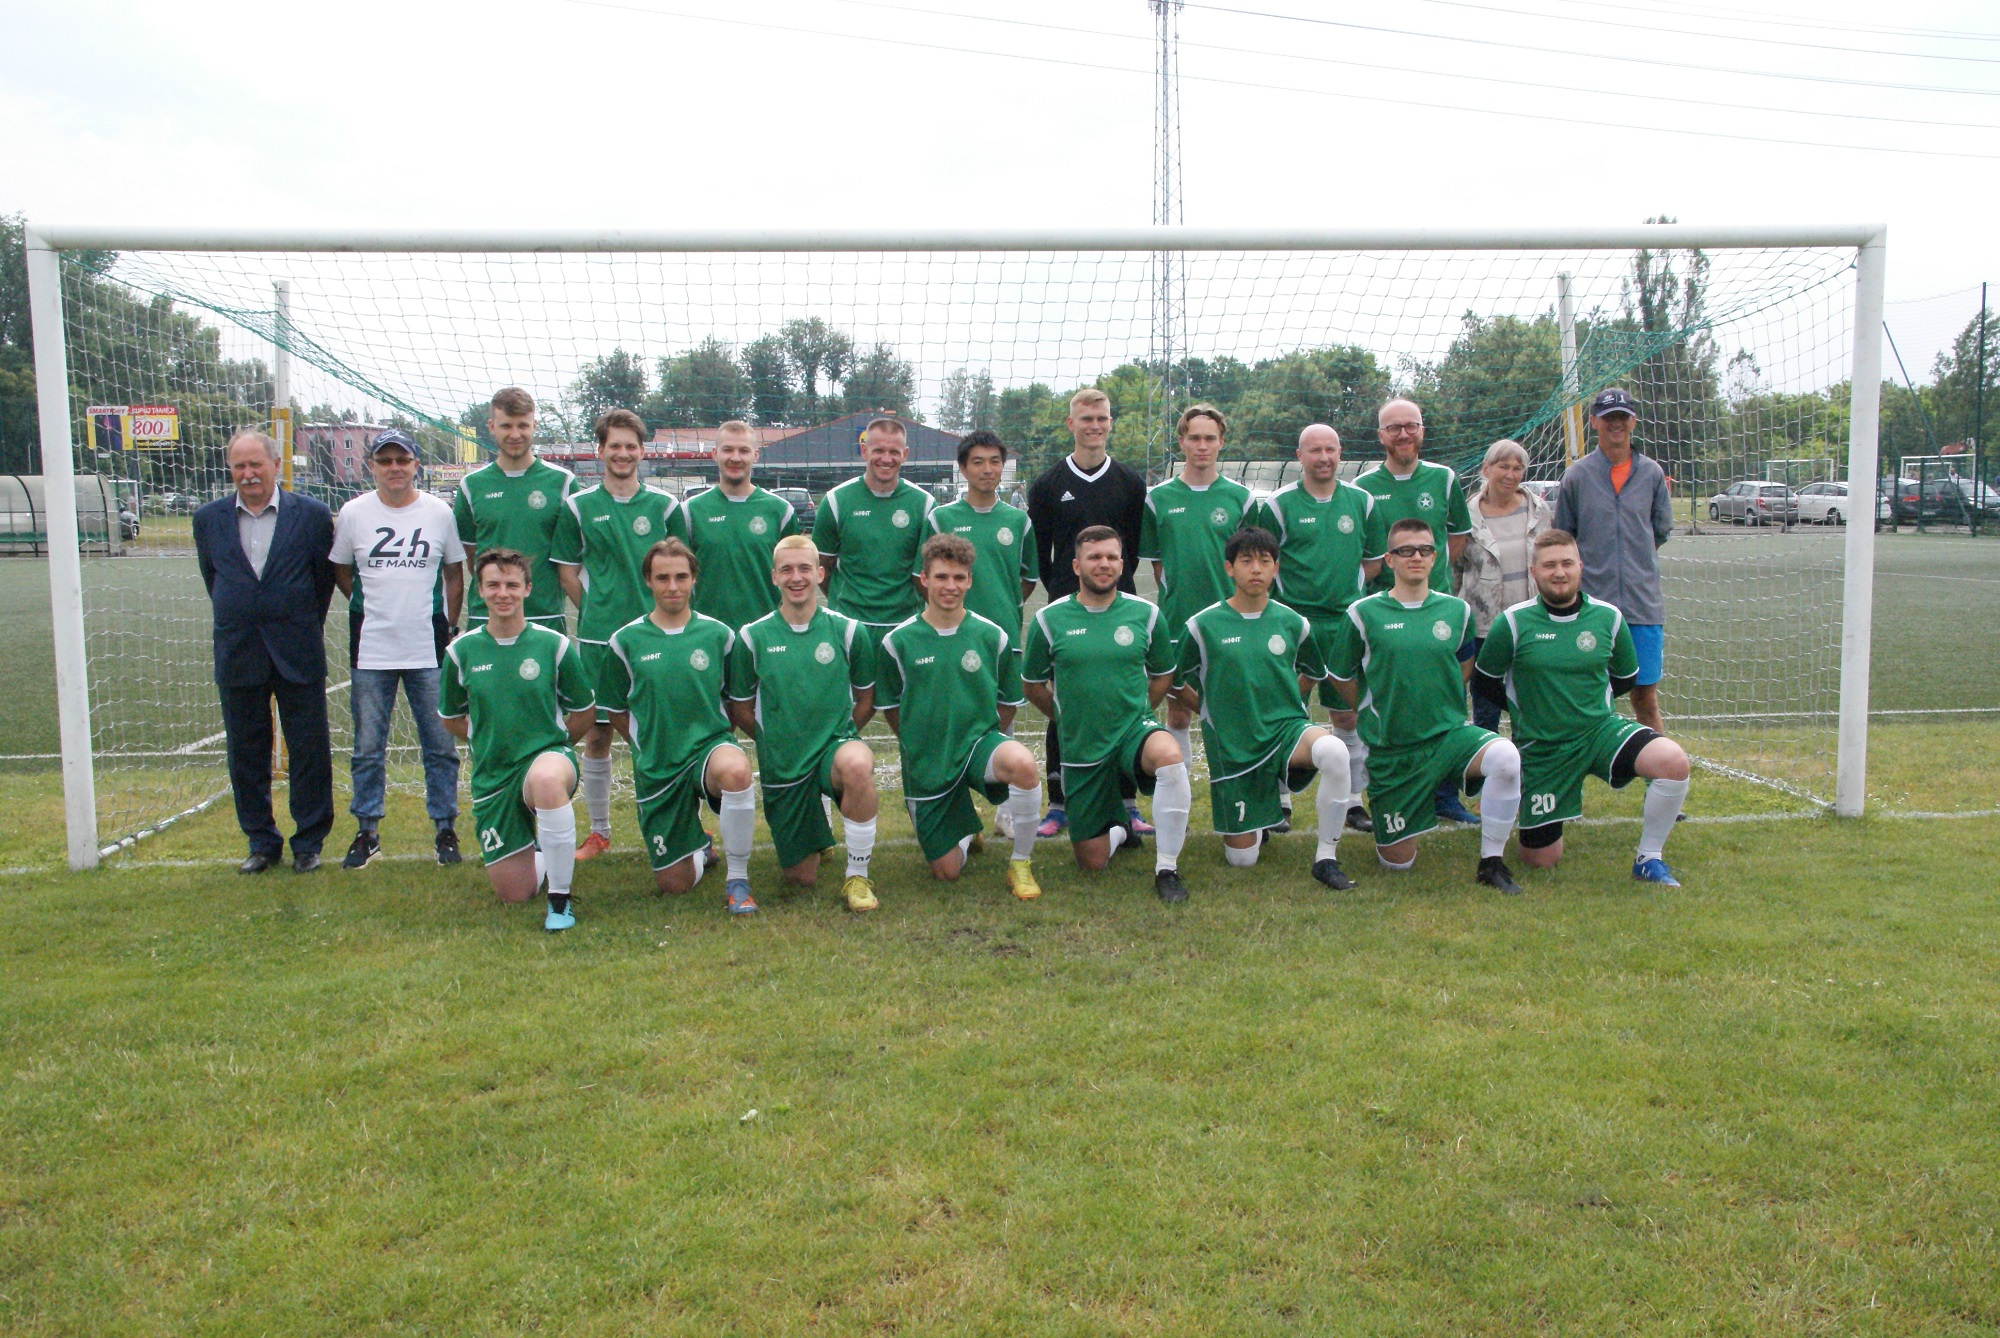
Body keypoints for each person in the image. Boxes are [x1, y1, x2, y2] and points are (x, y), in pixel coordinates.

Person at [1473, 530, 1691, 886]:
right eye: (1549, 566)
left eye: (1567, 563)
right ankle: (1535, 800)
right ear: (1534, 572)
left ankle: (1649, 858)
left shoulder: (1608, 617)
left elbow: (1625, 678)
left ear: (1580, 567)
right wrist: (1531, 711)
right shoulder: (1511, 622)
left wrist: (1585, 706)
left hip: (1599, 733)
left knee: (1672, 761)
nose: (1559, 572)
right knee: (1541, 860)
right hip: (1543, 748)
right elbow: (1484, 683)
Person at [1326, 519, 1522, 892]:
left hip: (1448, 737)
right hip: (1394, 751)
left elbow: (1463, 665)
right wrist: (1372, 708)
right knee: (1397, 863)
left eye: (1425, 550)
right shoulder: (1363, 613)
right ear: (1389, 559)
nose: (1416, 556)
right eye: (1405, 550)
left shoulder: (1457, 611)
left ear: (1434, 558)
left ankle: (1491, 863)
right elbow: (1340, 675)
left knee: (1506, 757)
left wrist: (1437, 699)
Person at [1172, 527, 1355, 888]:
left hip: (1286, 730)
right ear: (1229, 568)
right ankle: (1262, 815)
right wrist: (1207, 710)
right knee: (1242, 860)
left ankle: (1326, 858)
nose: (1256, 569)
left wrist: (1287, 699)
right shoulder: (1202, 625)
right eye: (1246, 561)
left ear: (1276, 568)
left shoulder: (1293, 622)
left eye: (1264, 561)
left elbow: (1313, 671)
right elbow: (1175, 682)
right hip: (1234, 745)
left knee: (1335, 751)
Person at [193, 429, 337, 873]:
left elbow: (322, 583)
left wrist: (293, 620)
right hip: (239, 649)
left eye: (256, 464)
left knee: (309, 749)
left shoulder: (311, 516)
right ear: (230, 470)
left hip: (297, 648)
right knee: (246, 751)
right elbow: (214, 579)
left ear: (276, 465)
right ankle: (261, 842)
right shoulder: (208, 519)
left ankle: (309, 842)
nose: (249, 473)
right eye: (239, 466)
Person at [1023, 527, 1191, 903]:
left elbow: (1163, 674)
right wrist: (1067, 718)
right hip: (1082, 746)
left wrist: (1140, 711)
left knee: (1169, 755)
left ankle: (1167, 869)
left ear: (1122, 563)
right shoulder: (1049, 620)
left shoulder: (1146, 614)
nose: (1104, 564)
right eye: (1095, 557)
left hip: (1133, 731)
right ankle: (1120, 829)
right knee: (1092, 862)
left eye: (1112, 557)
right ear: (1076, 566)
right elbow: (1032, 685)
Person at [551, 408, 689, 861]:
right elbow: (567, 571)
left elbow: (682, 569)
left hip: (656, 640)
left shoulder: (665, 507)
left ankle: (681, 825)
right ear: (600, 450)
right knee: (597, 735)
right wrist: (594, 610)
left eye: (631, 446)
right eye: (615, 445)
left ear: (642, 451)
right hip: (599, 641)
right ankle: (600, 832)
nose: (623, 453)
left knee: (663, 735)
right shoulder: (578, 506)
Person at [329, 428, 467, 869]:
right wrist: (371, 607)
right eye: (385, 460)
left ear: (415, 465)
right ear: (371, 465)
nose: (394, 468)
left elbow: (454, 574)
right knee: (368, 747)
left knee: (440, 745)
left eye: (402, 460)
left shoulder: (439, 512)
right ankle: (367, 832)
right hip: (371, 649)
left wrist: (448, 625)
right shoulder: (353, 513)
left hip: (427, 647)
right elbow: (341, 571)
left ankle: (445, 829)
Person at [876, 534, 1044, 896]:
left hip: (978, 746)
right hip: (928, 758)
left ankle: (1021, 863)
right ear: (924, 579)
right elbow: (891, 708)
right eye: (941, 577)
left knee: (1023, 763)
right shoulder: (897, 642)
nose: (950, 586)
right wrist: (920, 744)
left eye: (958, 577)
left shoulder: (992, 636)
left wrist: (982, 740)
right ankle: (966, 830)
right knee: (946, 871)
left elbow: (1008, 703)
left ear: (970, 580)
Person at [438, 549, 596, 931]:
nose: (503, 593)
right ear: (480, 590)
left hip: (546, 758)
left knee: (546, 778)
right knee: (514, 893)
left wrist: (557, 747)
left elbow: (584, 712)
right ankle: (541, 850)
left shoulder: (553, 645)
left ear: (527, 588)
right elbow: (451, 717)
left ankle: (560, 901)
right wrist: (485, 738)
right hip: (494, 774)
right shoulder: (460, 652)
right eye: (493, 585)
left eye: (512, 584)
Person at [727, 535, 883, 911]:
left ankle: (857, 876)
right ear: (774, 577)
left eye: (804, 569)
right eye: (786, 570)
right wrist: (775, 742)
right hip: (785, 763)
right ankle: (816, 834)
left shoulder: (849, 631)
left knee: (856, 763)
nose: (796, 577)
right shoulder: (752, 637)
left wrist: (841, 736)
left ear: (820, 573)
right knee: (801, 879)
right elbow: (740, 709)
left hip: (834, 748)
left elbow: (867, 699)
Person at [601, 539, 758, 914]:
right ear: (648, 580)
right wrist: (645, 743)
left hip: (707, 749)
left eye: (681, 577)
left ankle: (738, 881)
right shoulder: (624, 642)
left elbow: (734, 701)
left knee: (736, 770)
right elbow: (617, 709)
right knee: (675, 886)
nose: (673, 586)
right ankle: (700, 849)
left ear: (694, 579)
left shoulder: (719, 635)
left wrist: (721, 740)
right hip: (659, 765)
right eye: (663, 578)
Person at [1026, 387, 1149, 839]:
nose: (1094, 426)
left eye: (1102, 418)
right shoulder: (1047, 485)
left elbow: (1132, 551)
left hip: (1119, 607)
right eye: (1086, 419)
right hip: (1067, 608)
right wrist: (1065, 589)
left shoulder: (1131, 483)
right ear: (1071, 424)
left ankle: (1127, 802)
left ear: (1110, 422)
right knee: (1065, 702)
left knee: (1121, 701)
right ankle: (1059, 804)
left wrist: (1112, 584)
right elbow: (1042, 554)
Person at [1248, 423, 1384, 833]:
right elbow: (1264, 561)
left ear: (1340, 452)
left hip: (1345, 622)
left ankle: (1352, 801)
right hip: (1294, 623)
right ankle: (1279, 801)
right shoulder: (1278, 504)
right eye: (1314, 450)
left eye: (1330, 449)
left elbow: (1373, 560)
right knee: (1286, 710)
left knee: (1348, 714)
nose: (1323, 458)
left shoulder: (1361, 501)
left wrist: (1345, 591)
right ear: (1299, 456)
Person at [1356, 397, 1478, 826]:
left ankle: (1444, 795)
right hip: (1386, 613)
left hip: (1437, 612)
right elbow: (1366, 551)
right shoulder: (1364, 487)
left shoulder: (1444, 479)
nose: (1403, 434)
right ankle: (1390, 789)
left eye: (1411, 426)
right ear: (1381, 436)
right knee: (1390, 703)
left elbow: (1455, 540)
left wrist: (1426, 579)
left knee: (1445, 703)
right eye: (1394, 428)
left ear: (1422, 430)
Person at [1138, 404, 1255, 771]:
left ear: (1221, 442)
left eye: (1209, 438)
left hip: (1231, 619)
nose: (1202, 446)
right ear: (1181, 442)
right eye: (1194, 438)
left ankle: (1239, 779)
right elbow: (1158, 565)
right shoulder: (1158, 498)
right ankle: (1179, 789)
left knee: (1235, 705)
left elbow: (1252, 561)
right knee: (1178, 710)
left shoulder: (1241, 498)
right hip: (1178, 618)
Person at [1553, 388, 1675, 735]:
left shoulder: (1651, 474)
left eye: (1622, 417)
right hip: (1592, 607)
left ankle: (1657, 764)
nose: (1615, 424)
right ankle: (1585, 759)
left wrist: (1634, 563)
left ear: (1633, 422)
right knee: (1589, 695)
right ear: (1594, 422)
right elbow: (1564, 537)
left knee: (1645, 697)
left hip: (1642, 605)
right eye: (1608, 418)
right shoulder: (1577, 476)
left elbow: (1660, 531)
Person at [811, 417, 935, 663]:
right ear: (864, 450)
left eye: (894, 452)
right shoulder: (836, 501)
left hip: (904, 625)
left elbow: (927, 573)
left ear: (905, 455)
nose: (886, 459)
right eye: (878, 450)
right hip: (849, 625)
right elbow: (822, 567)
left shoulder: (924, 504)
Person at [453, 386, 577, 632]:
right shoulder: (471, 485)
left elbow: (571, 557)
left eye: (522, 426)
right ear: (491, 427)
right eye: (506, 426)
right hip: (485, 618)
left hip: (545, 616)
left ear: (534, 426)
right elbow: (471, 557)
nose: (515, 434)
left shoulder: (563, 482)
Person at [1456, 438, 1553, 732]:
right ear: (1486, 469)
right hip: (1484, 628)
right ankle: (1487, 759)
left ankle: (1531, 756)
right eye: (1503, 467)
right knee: (1486, 708)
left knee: (1532, 701)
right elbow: (1456, 568)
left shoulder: (1538, 510)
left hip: (1530, 623)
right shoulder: (1466, 515)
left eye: (1517, 468)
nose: (1510, 475)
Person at [683, 419, 803, 630]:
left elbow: (795, 576)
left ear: (755, 455)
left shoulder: (781, 511)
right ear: (714, 454)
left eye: (744, 451)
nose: (735, 458)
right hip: (708, 634)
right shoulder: (690, 511)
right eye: (728, 450)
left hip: (766, 634)